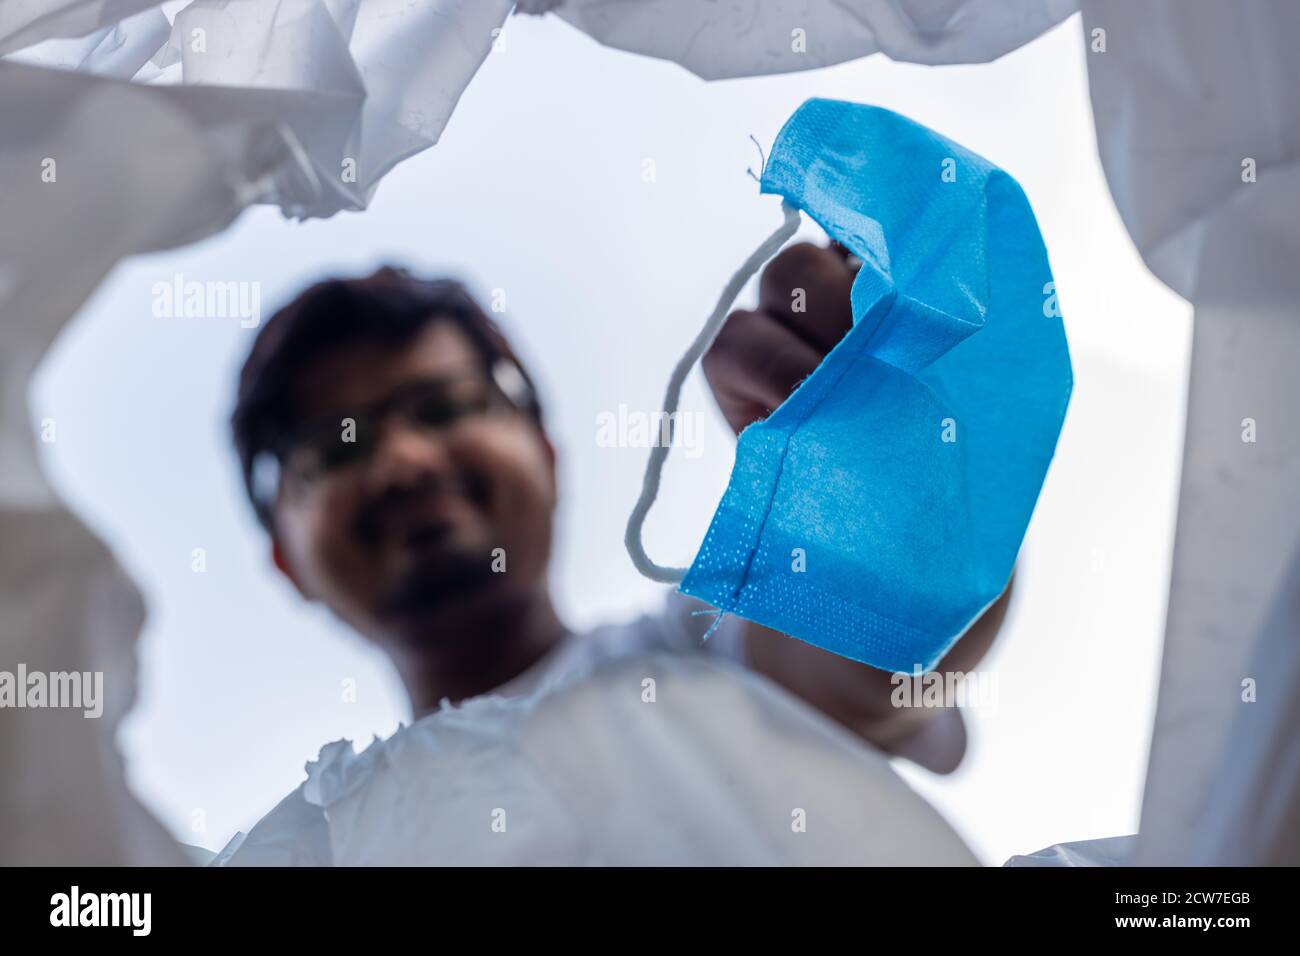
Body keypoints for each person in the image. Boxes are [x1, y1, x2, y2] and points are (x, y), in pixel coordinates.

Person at [231, 241, 1012, 776]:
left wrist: (889, 488)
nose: (403, 460)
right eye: (333, 450)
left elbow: (881, 658)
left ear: (546, 451)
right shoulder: (316, 844)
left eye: (443, 407)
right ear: (282, 558)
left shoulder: (703, 657)